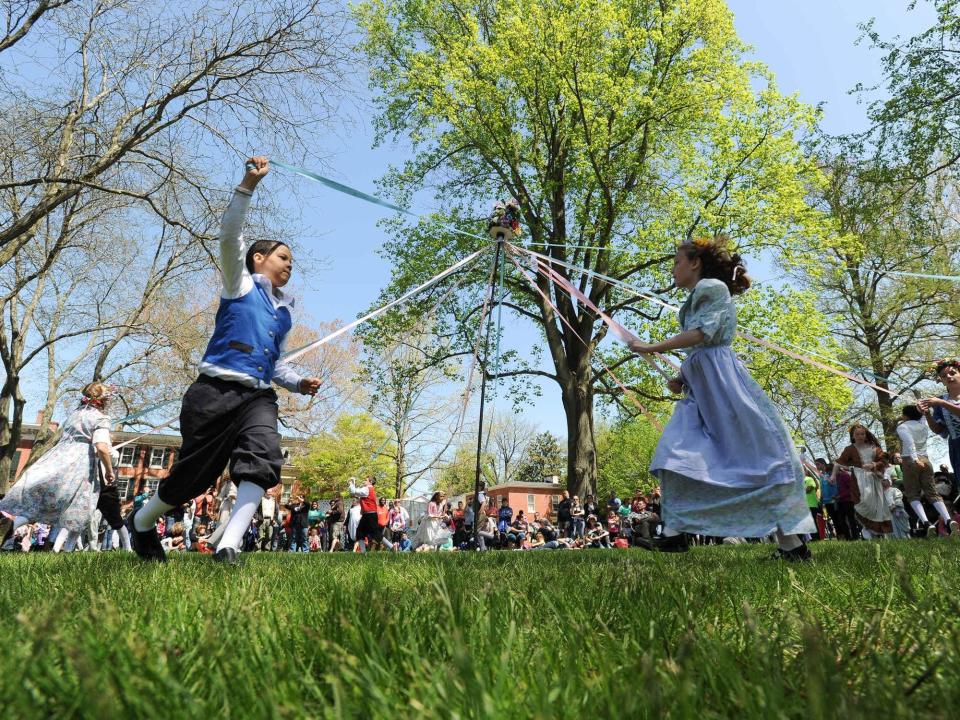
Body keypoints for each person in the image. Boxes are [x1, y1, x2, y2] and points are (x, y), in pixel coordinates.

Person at [127, 157, 322, 564]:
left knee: (263, 459)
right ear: (258, 259)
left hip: (256, 398)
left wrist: (298, 382)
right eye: (283, 257)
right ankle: (142, 522)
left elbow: (276, 365)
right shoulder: (240, 284)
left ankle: (228, 545)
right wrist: (247, 185)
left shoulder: (284, 312)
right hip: (212, 394)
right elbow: (230, 235)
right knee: (192, 479)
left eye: (292, 261)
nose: (289, 264)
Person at [629, 235, 815, 560]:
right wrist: (682, 376)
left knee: (752, 461)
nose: (673, 269)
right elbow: (701, 347)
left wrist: (651, 347)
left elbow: (704, 335)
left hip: (724, 390)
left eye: (676, 262)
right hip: (704, 390)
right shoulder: (701, 294)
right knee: (677, 453)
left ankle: (792, 545)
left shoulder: (711, 288)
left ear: (695, 263)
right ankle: (674, 533)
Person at [0, 382, 117, 552]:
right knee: (77, 504)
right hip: (80, 463)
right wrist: (109, 471)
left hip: (57, 456)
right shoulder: (101, 418)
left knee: (40, 501)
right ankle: (68, 549)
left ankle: (12, 525)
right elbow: (101, 447)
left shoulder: (74, 415)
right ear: (103, 400)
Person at [897, 404, 955, 536]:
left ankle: (926, 523)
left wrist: (915, 459)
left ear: (905, 415)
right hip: (927, 460)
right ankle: (948, 520)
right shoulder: (923, 425)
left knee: (912, 494)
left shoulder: (902, 427)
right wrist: (923, 409)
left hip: (911, 460)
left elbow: (910, 442)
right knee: (932, 492)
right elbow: (923, 417)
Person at [832, 425, 893, 539]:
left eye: (862, 434)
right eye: (857, 434)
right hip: (858, 479)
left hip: (873, 478)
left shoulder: (874, 447)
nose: (860, 436)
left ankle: (877, 531)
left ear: (866, 435)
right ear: (853, 436)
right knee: (861, 503)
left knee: (876, 505)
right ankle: (867, 527)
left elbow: (884, 460)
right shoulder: (849, 449)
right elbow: (838, 462)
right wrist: (833, 476)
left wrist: (874, 465)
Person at [920, 358, 960, 516]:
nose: (949, 377)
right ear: (941, 381)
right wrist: (927, 414)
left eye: (952, 373)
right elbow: (938, 430)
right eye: (944, 376)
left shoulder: (941, 402)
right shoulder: (940, 400)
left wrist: (941, 404)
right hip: (956, 446)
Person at [349, 476, 382, 551]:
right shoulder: (368, 489)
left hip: (370, 514)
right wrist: (353, 484)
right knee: (360, 532)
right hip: (367, 514)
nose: (364, 481)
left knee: (376, 534)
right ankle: (363, 552)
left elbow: (353, 491)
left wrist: (351, 483)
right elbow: (354, 493)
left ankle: (391, 546)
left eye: (365, 480)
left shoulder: (367, 489)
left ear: (370, 482)